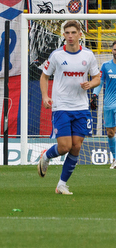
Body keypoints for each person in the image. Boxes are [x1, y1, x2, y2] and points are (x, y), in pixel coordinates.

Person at [36, 21, 101, 196]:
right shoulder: (56, 55)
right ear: (63, 35)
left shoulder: (88, 55)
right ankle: (46, 156)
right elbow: (44, 76)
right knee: (65, 146)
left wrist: (91, 83)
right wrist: (45, 96)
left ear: (80, 34)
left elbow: (97, 78)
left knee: (76, 147)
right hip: (61, 106)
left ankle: (61, 185)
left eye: (73, 32)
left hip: (81, 107)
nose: (70, 36)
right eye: (67, 33)